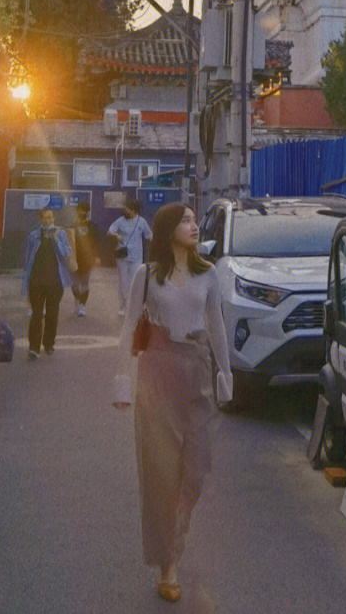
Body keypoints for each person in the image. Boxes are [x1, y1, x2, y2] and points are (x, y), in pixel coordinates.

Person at [113, 202, 232, 604]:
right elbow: (130, 324)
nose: (194, 225)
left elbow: (215, 324)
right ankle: (169, 565)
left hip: (197, 371)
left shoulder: (208, 273)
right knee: (161, 476)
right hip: (158, 372)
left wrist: (225, 373)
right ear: (167, 229)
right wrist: (121, 382)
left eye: (195, 220)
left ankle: (174, 541)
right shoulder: (147, 275)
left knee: (195, 472)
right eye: (185, 220)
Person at [21, 207, 75, 359]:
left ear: (54, 219)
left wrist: (56, 240)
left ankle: (49, 343)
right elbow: (28, 258)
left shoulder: (61, 233)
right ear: (40, 219)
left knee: (52, 314)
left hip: (55, 282)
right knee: (36, 314)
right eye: (45, 217)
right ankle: (34, 347)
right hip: (36, 281)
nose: (48, 220)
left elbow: (66, 252)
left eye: (50, 217)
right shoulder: (33, 235)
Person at [108, 197, 152, 313]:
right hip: (123, 257)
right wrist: (116, 235)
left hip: (136, 257)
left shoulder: (141, 222)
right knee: (123, 282)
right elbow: (110, 230)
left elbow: (149, 235)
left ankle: (135, 306)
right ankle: (123, 306)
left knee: (136, 282)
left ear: (134, 210)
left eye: (127, 209)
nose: (125, 211)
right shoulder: (120, 221)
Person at [70, 199, 100, 317]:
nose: (81, 212)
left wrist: (97, 256)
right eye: (79, 210)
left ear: (87, 212)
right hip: (75, 259)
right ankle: (77, 300)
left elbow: (96, 242)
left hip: (88, 259)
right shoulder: (72, 226)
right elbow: (69, 242)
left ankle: (82, 305)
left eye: (84, 211)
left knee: (85, 282)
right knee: (74, 284)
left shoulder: (93, 226)